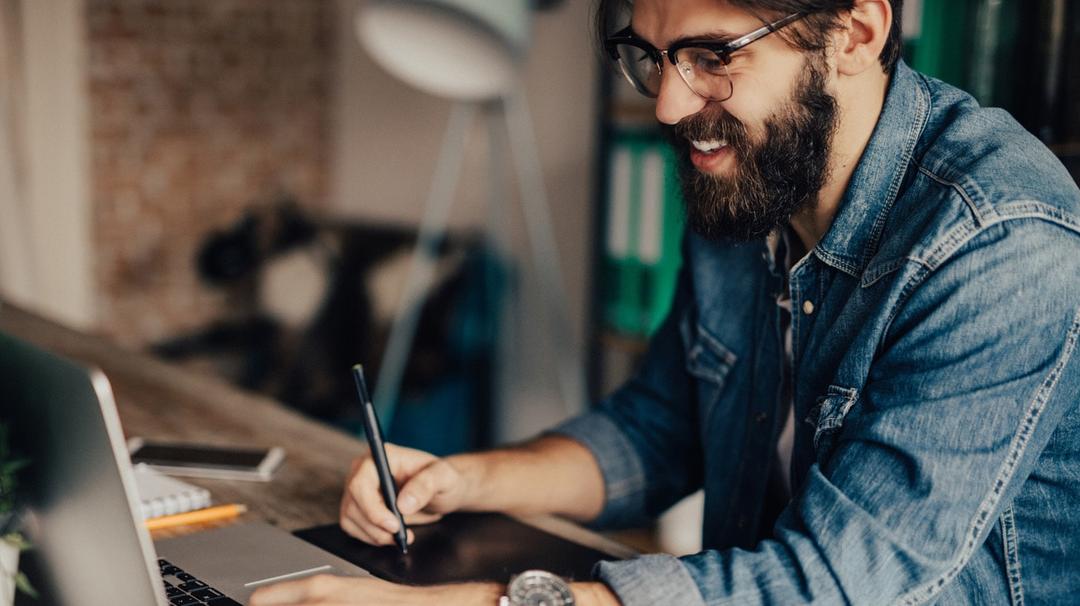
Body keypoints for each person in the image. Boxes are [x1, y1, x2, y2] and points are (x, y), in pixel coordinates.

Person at [251, 0, 1080, 603]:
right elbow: (660, 429)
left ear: (857, 31)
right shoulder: (751, 191)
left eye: (714, 53)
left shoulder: (1002, 242)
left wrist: (489, 605)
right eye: (650, 55)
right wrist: (464, 480)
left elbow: (844, 577)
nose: (670, 105)